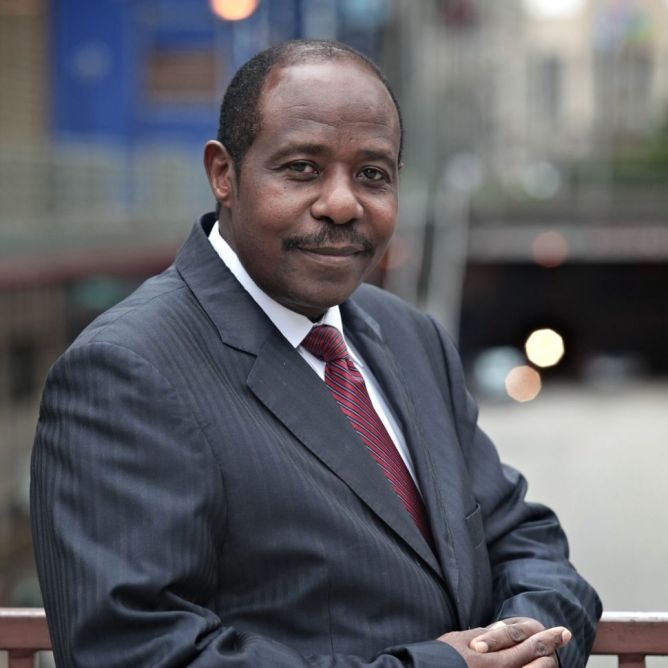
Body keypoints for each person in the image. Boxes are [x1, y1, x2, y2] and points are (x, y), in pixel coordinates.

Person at [31, 39, 601, 667]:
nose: (342, 204)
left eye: (372, 175)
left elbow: (523, 539)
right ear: (224, 174)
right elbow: (136, 651)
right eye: (302, 167)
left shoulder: (411, 338)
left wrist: (533, 640)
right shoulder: (126, 369)